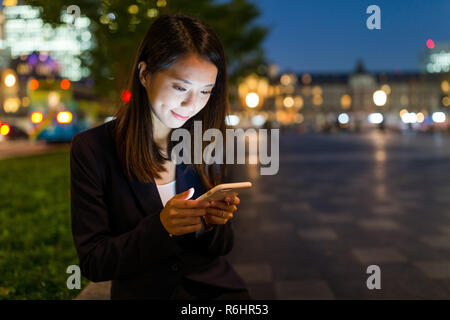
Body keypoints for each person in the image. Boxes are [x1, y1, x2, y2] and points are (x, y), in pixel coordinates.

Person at [70, 14, 252, 300]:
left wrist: (216, 224)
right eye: (180, 87)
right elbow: (94, 262)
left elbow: (222, 246)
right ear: (144, 74)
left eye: (205, 91)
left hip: (216, 293)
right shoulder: (93, 149)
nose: (192, 105)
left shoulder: (206, 142)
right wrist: (161, 228)